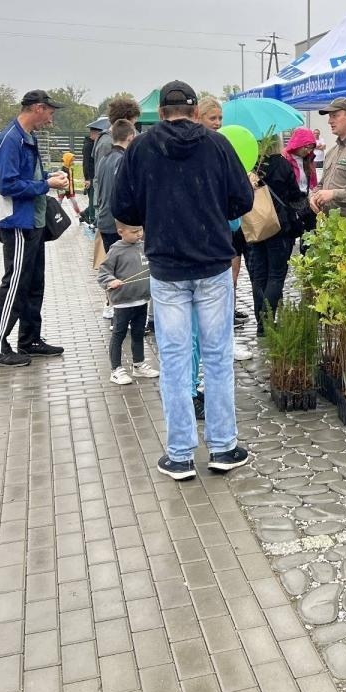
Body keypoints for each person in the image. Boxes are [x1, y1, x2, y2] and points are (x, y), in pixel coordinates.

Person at [112, 80, 255, 481]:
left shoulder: (141, 147)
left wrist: (157, 205)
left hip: (167, 267)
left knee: (174, 361)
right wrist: (210, 205)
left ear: (161, 112)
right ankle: (224, 448)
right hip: (212, 264)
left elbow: (124, 207)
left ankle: (179, 455)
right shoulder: (217, 144)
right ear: (194, 111)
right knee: (217, 356)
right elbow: (243, 199)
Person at [0, 90, 70, 366]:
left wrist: (48, 177)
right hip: (17, 222)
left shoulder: (27, 137)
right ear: (37, 108)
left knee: (34, 282)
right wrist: (47, 185)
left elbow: (28, 176)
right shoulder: (11, 139)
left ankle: (30, 339)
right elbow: (8, 185)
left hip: (33, 221)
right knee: (16, 283)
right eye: (50, 111)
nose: (51, 117)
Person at [240, 137, 306, 333]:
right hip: (279, 225)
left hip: (257, 225)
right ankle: (268, 322)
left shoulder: (250, 165)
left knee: (258, 275)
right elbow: (294, 194)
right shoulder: (282, 164)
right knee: (276, 276)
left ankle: (261, 322)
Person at [197, 97, 250, 330]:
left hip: (224, 229)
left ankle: (224, 330)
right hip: (211, 232)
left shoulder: (222, 145)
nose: (218, 123)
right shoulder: (206, 149)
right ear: (199, 116)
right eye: (213, 118)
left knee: (226, 285)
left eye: (220, 118)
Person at [96, 222, 160, 385]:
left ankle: (138, 365)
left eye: (140, 230)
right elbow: (103, 273)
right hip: (123, 303)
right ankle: (116, 369)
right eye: (134, 231)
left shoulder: (144, 246)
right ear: (120, 232)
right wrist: (111, 281)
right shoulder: (116, 250)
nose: (139, 234)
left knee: (138, 334)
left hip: (142, 300)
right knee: (119, 335)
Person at [95, 119, 136, 253]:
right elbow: (123, 192)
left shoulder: (104, 159)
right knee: (124, 268)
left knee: (112, 263)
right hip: (119, 223)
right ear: (131, 137)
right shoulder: (123, 160)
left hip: (104, 219)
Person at [93, 96, 141, 171]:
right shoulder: (106, 143)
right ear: (125, 119)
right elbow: (100, 177)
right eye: (134, 120)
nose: (134, 123)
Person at [81, 116, 109, 225]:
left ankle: (86, 213)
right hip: (92, 177)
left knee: (94, 199)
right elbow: (86, 163)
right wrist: (88, 178)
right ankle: (92, 218)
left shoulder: (94, 143)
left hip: (95, 177)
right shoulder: (89, 145)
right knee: (93, 199)